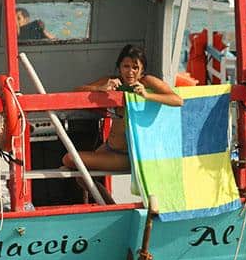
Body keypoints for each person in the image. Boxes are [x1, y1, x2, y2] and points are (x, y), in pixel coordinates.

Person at [62, 45, 182, 202]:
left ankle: (109, 207)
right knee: (80, 176)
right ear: (119, 67)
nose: (130, 71)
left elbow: (177, 100)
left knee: (69, 159)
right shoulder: (113, 81)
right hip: (109, 147)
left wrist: (146, 95)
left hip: (127, 155)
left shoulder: (147, 82)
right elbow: (75, 93)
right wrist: (100, 88)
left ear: (142, 70)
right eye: (126, 66)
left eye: (135, 67)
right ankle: (110, 206)